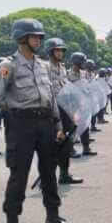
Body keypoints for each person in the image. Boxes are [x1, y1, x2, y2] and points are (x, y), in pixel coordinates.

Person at [0, 19, 76, 223]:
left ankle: (53, 217)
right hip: (22, 125)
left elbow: (52, 97)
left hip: (46, 123)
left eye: (40, 37)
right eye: (34, 36)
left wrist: (57, 125)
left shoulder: (43, 65)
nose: (38, 40)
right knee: (20, 174)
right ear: (22, 38)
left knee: (48, 171)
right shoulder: (9, 65)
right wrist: (17, 110)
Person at [44, 37, 83, 185]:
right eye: (57, 50)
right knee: (52, 142)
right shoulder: (45, 67)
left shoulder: (62, 68)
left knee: (67, 141)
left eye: (61, 50)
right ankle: (47, 175)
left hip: (64, 106)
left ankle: (64, 174)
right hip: (51, 108)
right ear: (50, 51)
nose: (60, 53)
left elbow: (66, 87)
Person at [67, 52, 97, 156]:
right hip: (72, 105)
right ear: (76, 62)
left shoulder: (84, 74)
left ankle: (86, 148)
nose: (84, 64)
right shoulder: (68, 75)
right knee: (72, 127)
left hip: (83, 104)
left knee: (85, 127)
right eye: (82, 62)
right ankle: (70, 149)